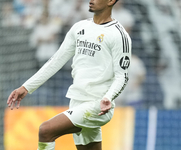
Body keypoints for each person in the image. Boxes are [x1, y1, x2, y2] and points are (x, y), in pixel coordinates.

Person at [7, 0, 132, 150]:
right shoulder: (79, 27)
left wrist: (108, 97)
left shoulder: (119, 35)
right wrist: (26, 87)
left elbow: (122, 76)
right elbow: (56, 60)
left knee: (46, 130)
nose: (91, 0)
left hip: (97, 105)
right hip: (77, 101)